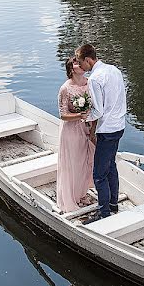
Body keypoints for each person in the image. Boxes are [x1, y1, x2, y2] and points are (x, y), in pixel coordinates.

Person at [76, 43, 127, 220]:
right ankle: (113, 204)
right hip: (119, 125)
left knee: (99, 174)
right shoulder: (114, 70)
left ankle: (103, 212)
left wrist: (83, 118)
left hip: (107, 130)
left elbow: (98, 111)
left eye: (81, 63)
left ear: (88, 60)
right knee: (111, 166)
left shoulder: (95, 79)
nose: (80, 67)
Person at [56, 56, 95, 213]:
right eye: (76, 63)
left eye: (80, 61)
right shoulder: (65, 88)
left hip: (87, 128)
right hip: (71, 131)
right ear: (71, 69)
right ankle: (70, 197)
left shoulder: (89, 83)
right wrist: (80, 116)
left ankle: (82, 193)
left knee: (85, 161)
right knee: (72, 164)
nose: (80, 64)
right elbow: (63, 115)